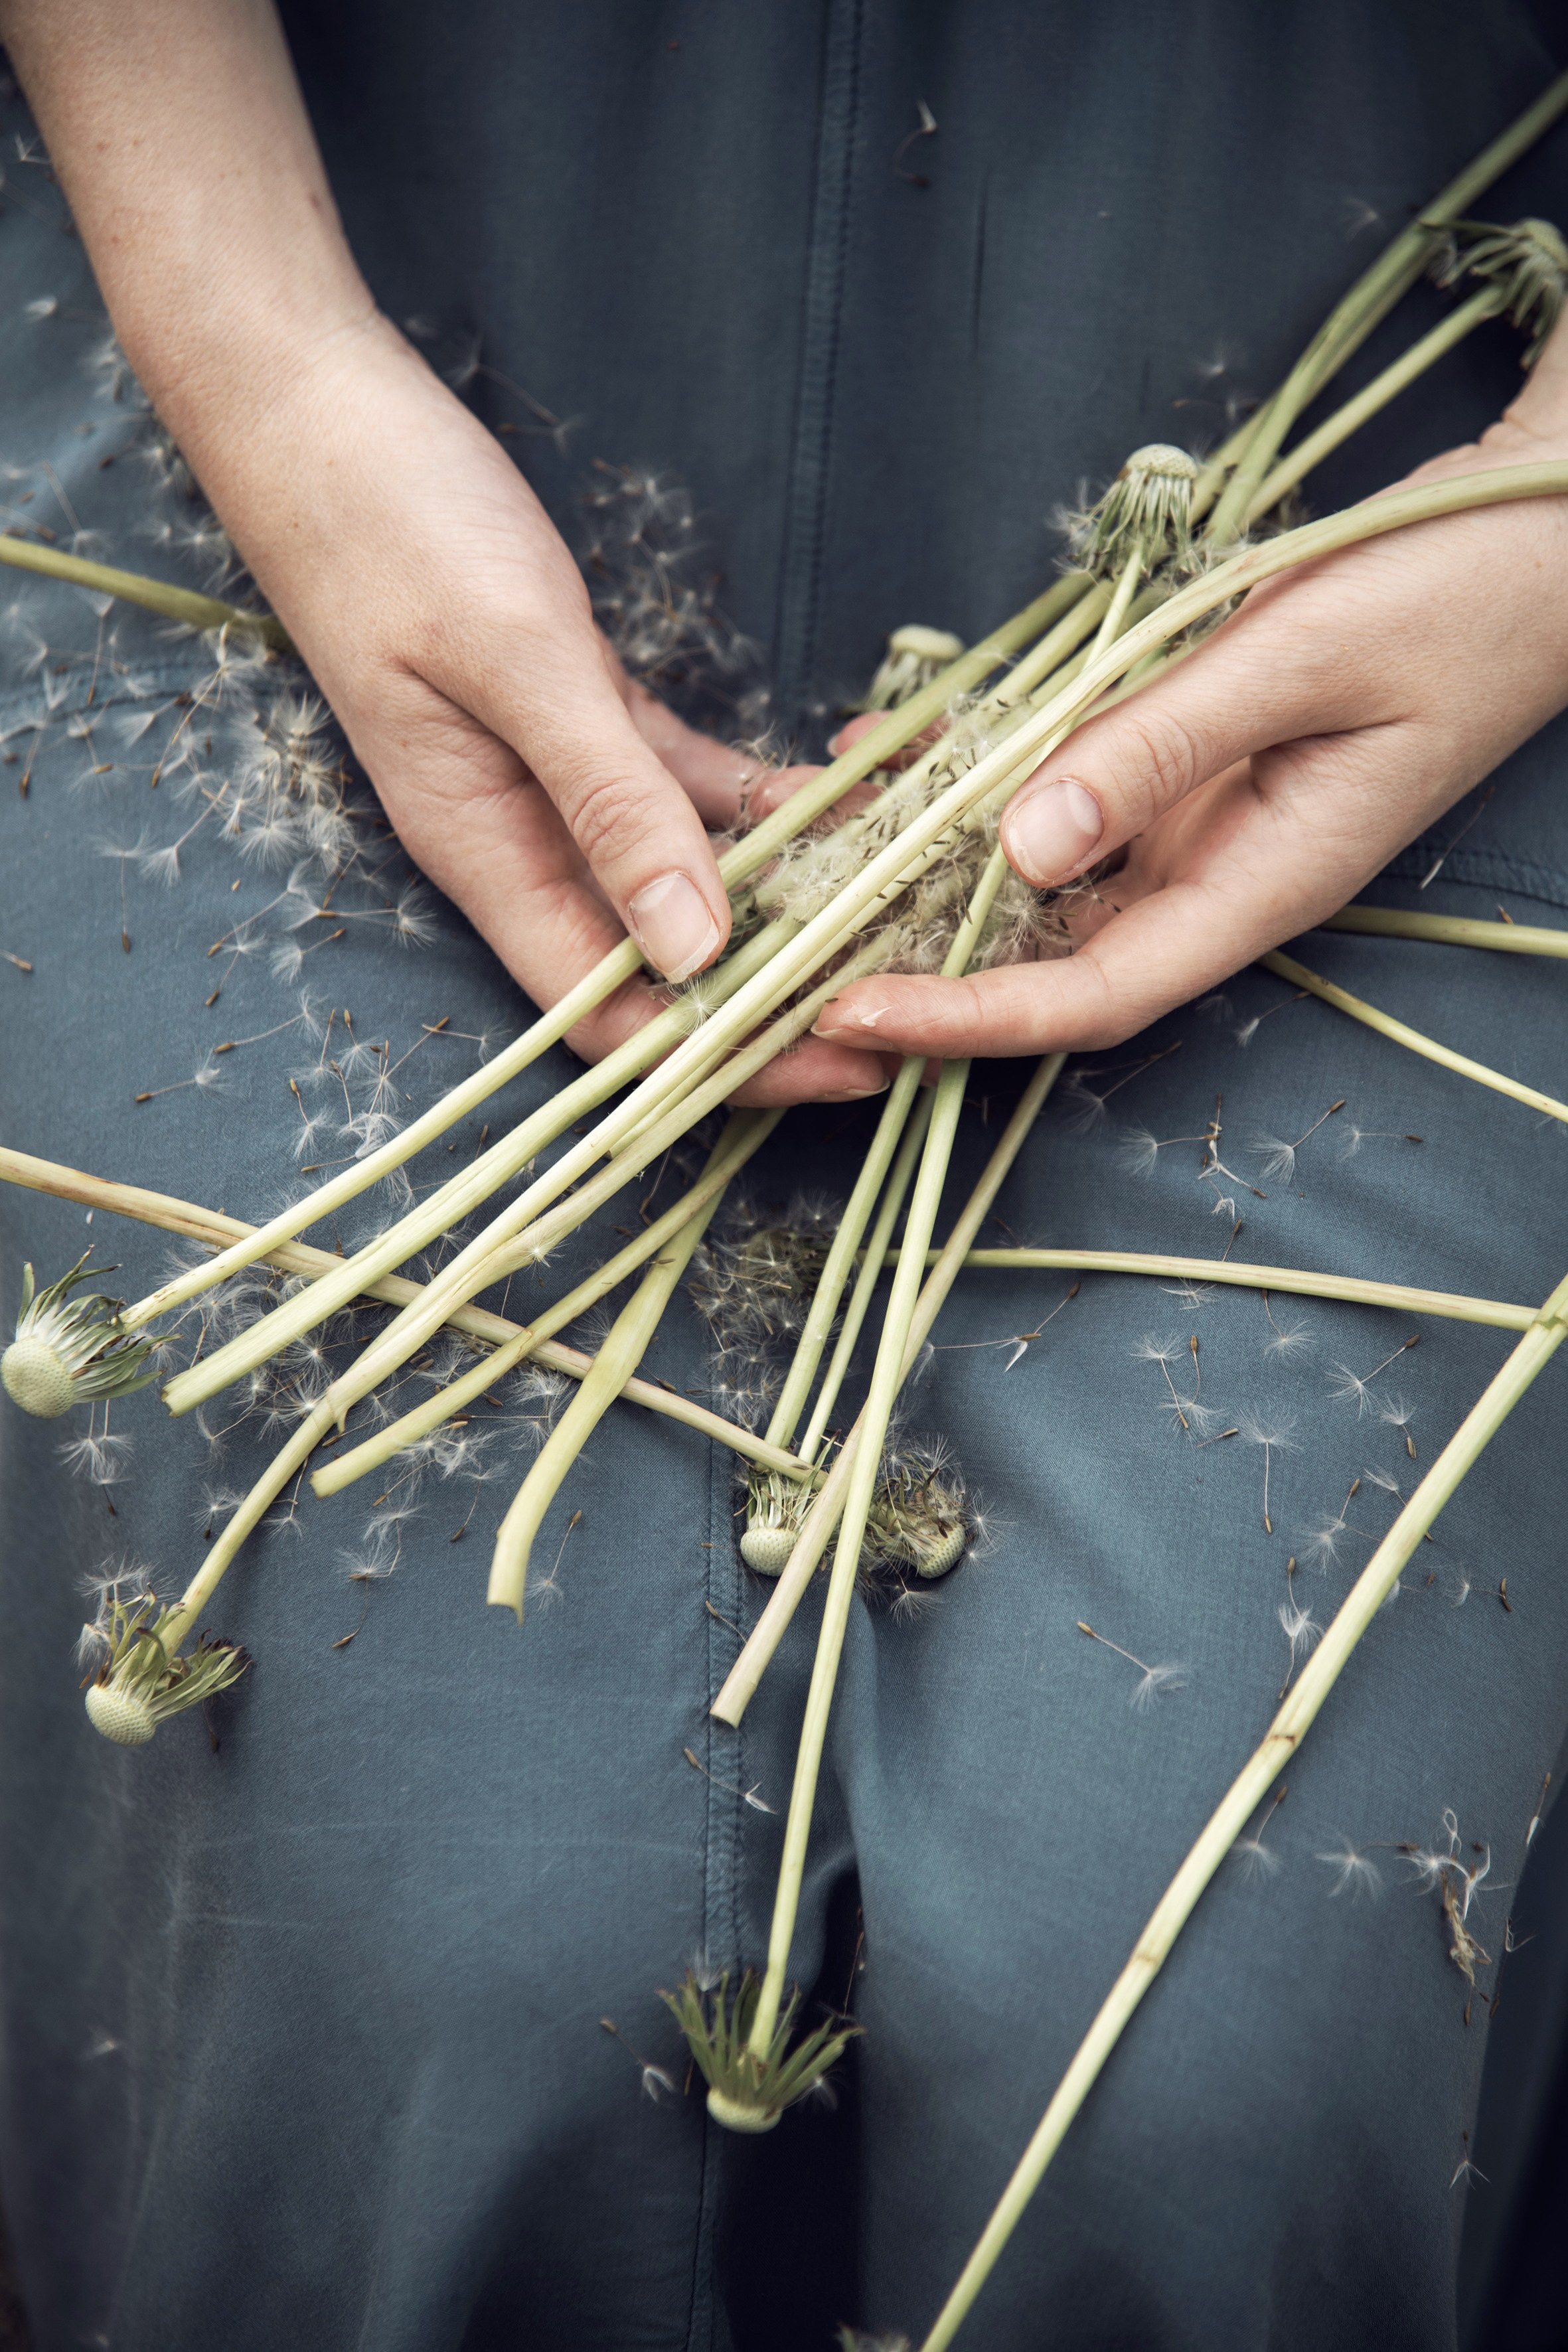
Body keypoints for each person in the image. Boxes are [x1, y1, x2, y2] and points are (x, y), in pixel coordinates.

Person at [0, 4, 1566, 2347]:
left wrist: (1538, 515)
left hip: (1417, 483)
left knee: (1194, 2032)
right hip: (277, 271)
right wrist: (264, 350)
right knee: (432, 1950)